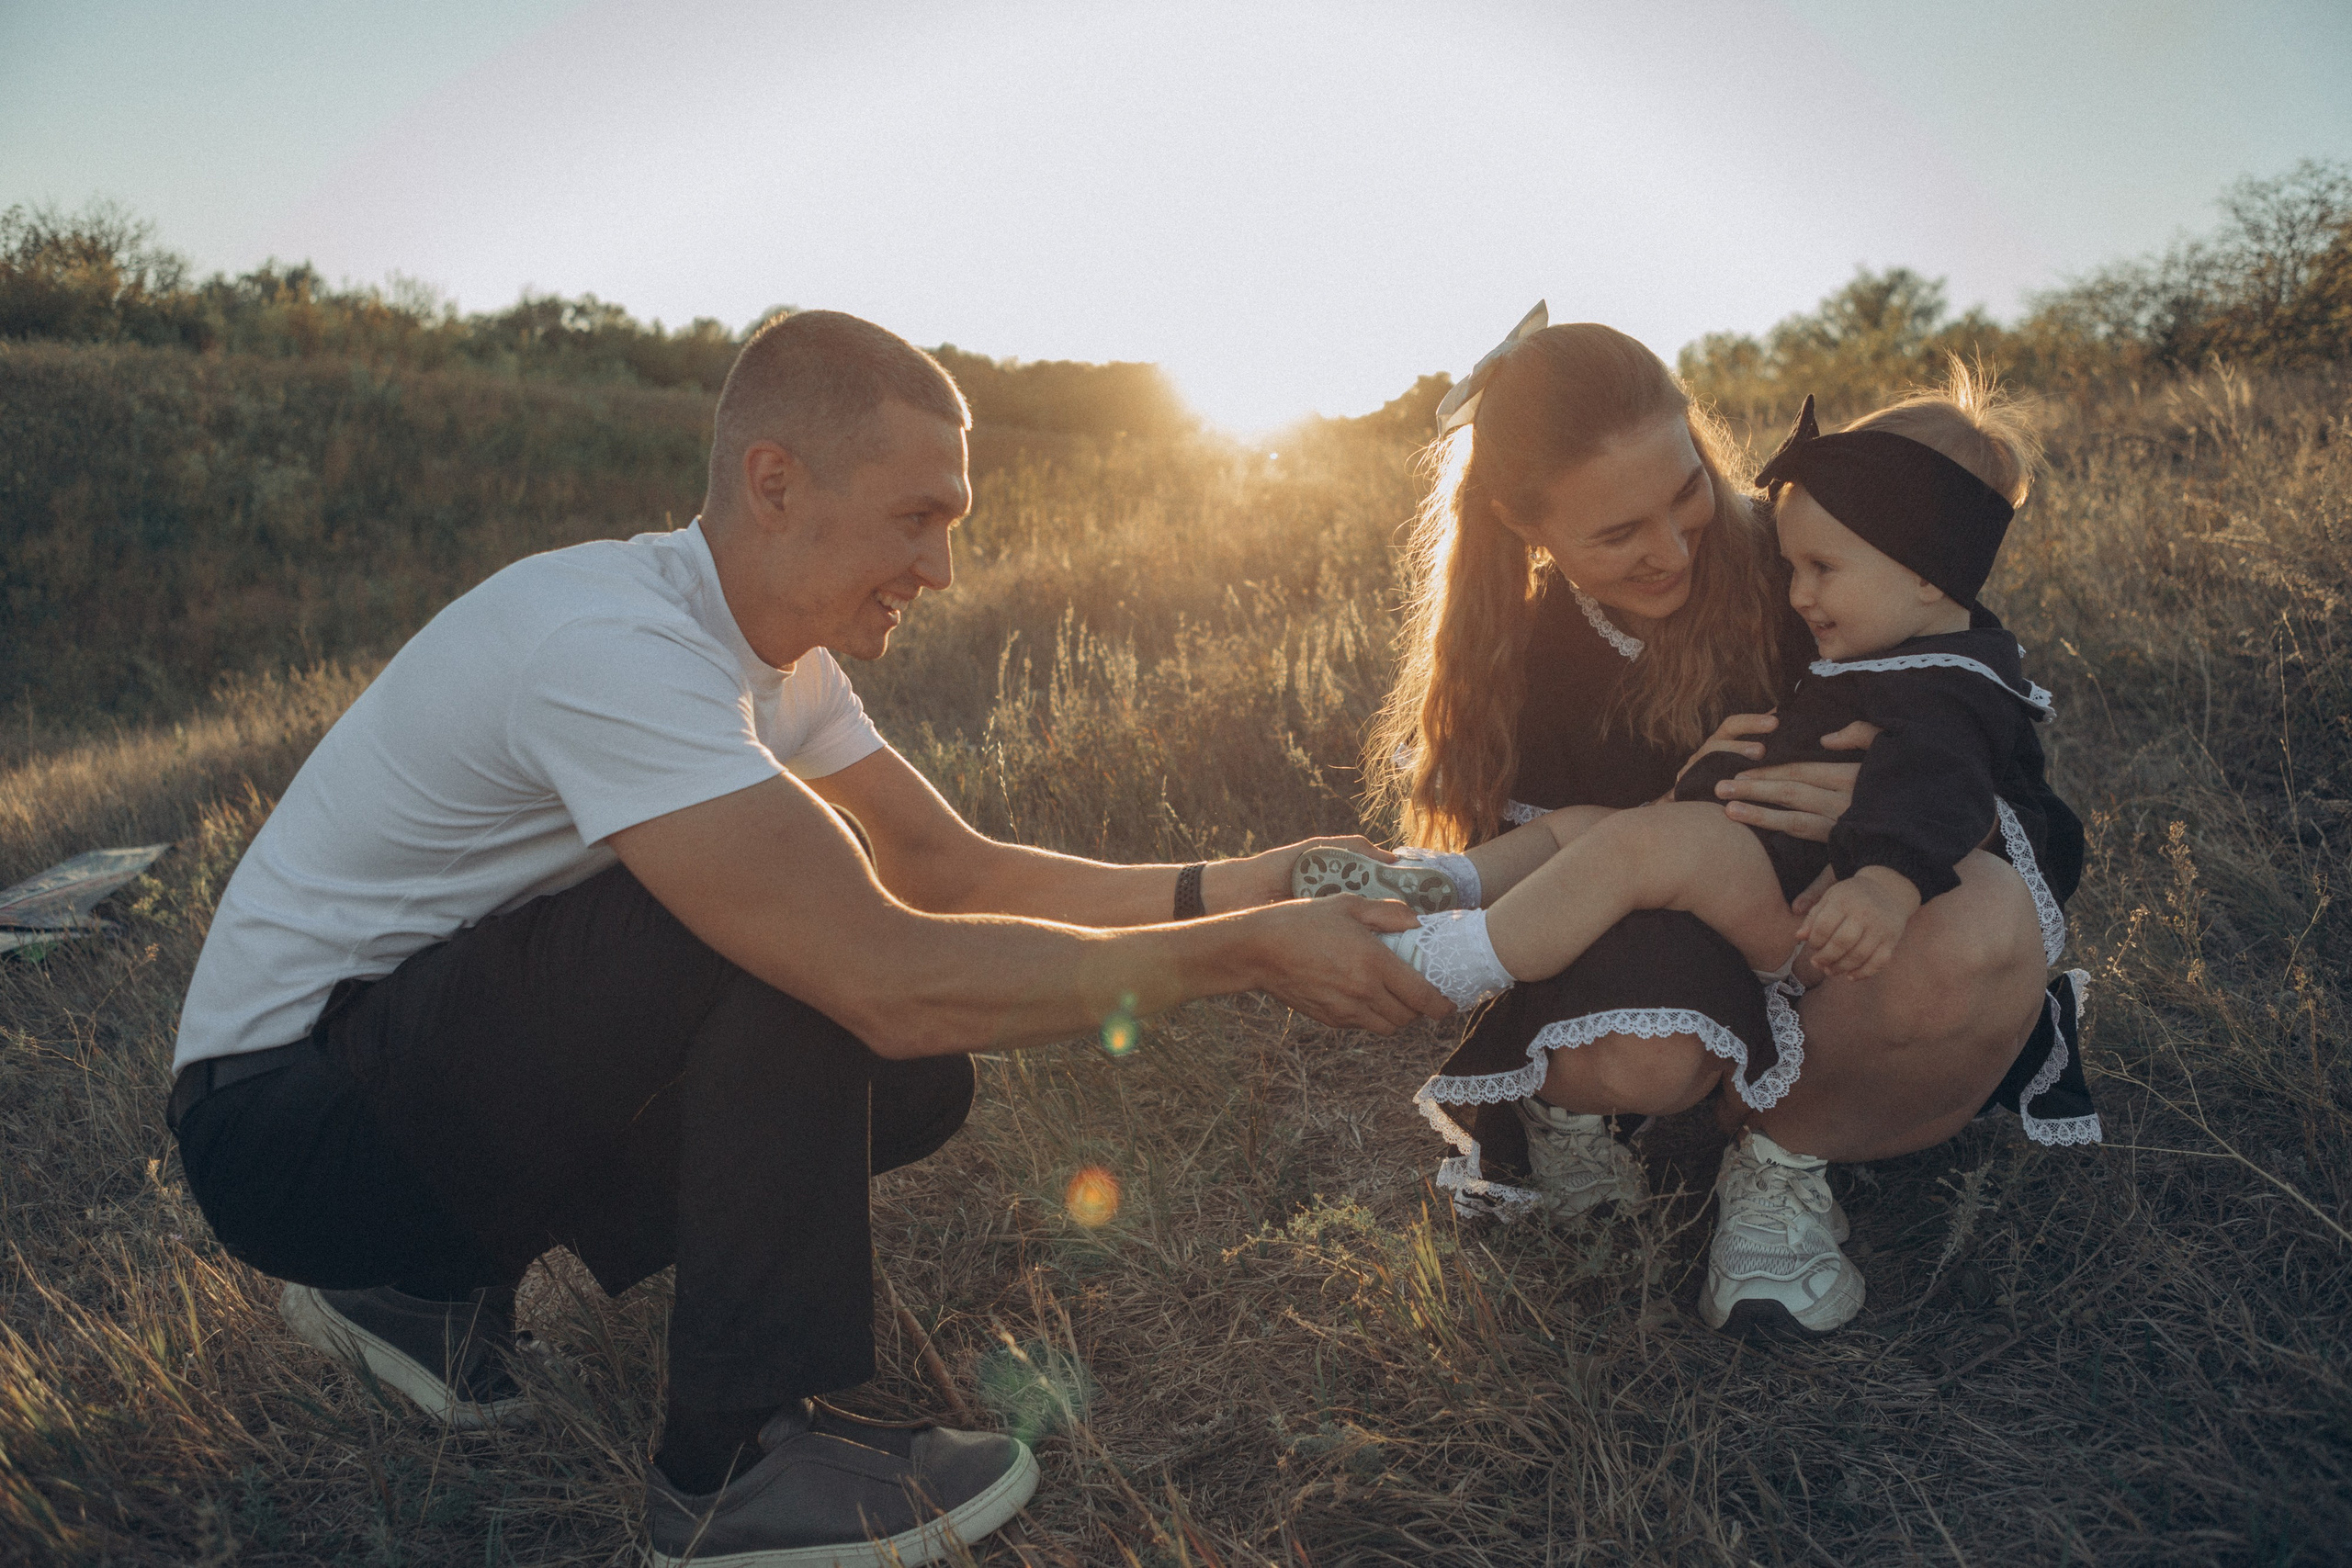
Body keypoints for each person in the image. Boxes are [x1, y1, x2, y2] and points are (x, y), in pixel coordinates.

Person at [166, 310, 1448, 1568]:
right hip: (286, 1125)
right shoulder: (611, 645)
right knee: (788, 948)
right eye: (917, 517)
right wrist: (1256, 953)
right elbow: (885, 970)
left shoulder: (779, 661)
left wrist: (1239, 887)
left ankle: (424, 1285)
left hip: (397, 1092)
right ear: (773, 482)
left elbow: (949, 866)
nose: (941, 569)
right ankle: (733, 1467)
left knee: (914, 1077)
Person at [1313, 310, 2096, 1339]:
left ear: (1700, 438)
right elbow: (1573, 854)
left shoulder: (1812, 557)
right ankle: (1461, 936)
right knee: (1631, 1001)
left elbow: (2032, 806)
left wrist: (1902, 822)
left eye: (1685, 493)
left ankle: (1779, 1164)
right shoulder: (1532, 658)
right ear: (1526, 526)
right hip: (1657, 953)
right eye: (1615, 533)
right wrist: (1671, 834)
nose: (1671, 545)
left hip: (1821, 932)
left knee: (1993, 919)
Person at [1336, 385, 2082, 1026]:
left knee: (1636, 847)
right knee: (1583, 832)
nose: (1797, 594)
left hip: (1803, 899)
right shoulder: (1876, 632)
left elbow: (1948, 781)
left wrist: (1884, 882)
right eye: (1793, 568)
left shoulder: (1946, 679)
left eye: (1820, 569)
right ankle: (1441, 883)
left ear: (1928, 571)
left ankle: (1450, 964)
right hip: (1742, 855)